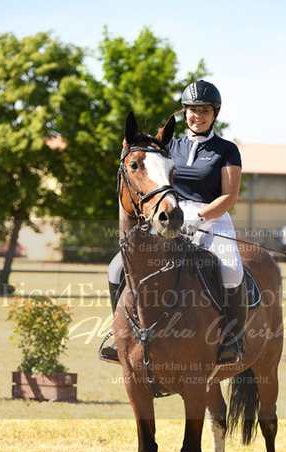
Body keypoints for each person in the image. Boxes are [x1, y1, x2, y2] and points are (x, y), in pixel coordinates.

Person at [101, 80, 247, 366]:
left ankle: (232, 339)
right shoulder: (169, 147)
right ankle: (120, 332)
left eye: (205, 110)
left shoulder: (227, 150)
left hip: (211, 218)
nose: (198, 116)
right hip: (169, 216)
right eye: (193, 110)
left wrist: (200, 217)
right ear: (186, 112)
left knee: (231, 270)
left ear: (215, 114)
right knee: (116, 267)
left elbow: (229, 196)